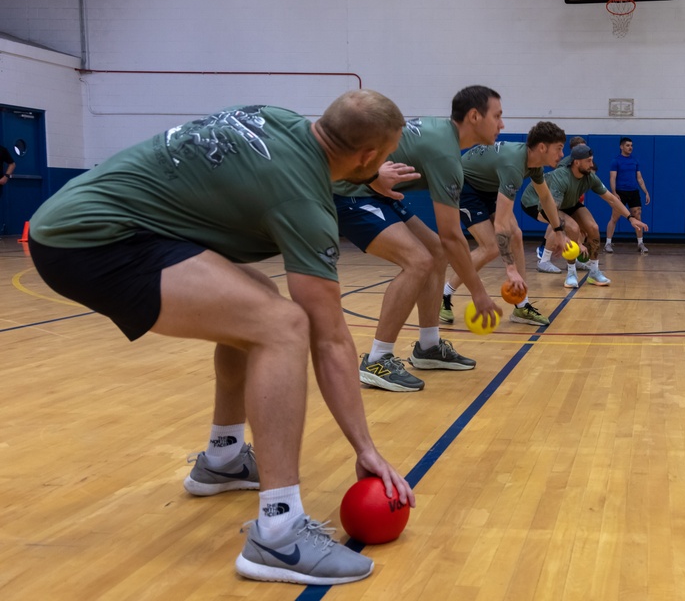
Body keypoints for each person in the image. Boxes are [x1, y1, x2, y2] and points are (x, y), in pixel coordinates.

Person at [27, 91, 416, 586]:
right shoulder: (303, 202)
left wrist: (367, 177)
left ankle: (226, 458)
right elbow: (331, 339)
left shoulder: (275, 117)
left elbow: (297, 171)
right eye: (380, 157)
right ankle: (279, 534)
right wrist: (366, 448)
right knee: (284, 326)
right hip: (93, 243)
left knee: (254, 296)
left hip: (74, 215)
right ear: (366, 156)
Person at [332, 85, 505, 393]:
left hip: (378, 191)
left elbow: (446, 243)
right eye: (497, 116)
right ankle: (377, 359)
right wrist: (479, 294)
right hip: (349, 193)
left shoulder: (440, 132)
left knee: (434, 252)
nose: (502, 125)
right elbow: (453, 235)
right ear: (475, 116)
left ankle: (428, 347)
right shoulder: (446, 155)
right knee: (418, 260)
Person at [439, 121, 571, 327]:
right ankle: (444, 295)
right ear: (542, 147)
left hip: (488, 185)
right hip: (463, 185)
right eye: (559, 148)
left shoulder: (533, 164)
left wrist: (559, 232)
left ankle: (521, 306)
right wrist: (510, 268)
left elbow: (545, 198)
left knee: (516, 235)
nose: (562, 154)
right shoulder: (513, 165)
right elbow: (500, 224)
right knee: (491, 247)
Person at [524, 143, 647, 288]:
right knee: (573, 228)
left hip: (569, 203)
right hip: (543, 205)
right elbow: (552, 211)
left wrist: (630, 218)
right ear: (576, 162)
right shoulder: (561, 177)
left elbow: (611, 199)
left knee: (593, 227)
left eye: (592, 160)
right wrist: (563, 236)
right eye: (588, 161)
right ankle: (570, 273)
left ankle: (594, 272)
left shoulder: (589, 177)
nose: (591, 164)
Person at [536, 135, 586, 263]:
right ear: (572, 150)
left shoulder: (584, 163)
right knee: (557, 223)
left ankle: (574, 254)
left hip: (575, 197)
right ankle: (544, 248)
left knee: (579, 227)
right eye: (579, 148)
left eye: (584, 148)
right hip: (562, 198)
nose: (582, 151)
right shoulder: (564, 165)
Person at [604, 136, 650, 254]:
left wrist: (646, 192)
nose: (630, 148)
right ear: (621, 147)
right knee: (615, 217)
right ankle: (608, 243)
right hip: (620, 192)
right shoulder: (616, 161)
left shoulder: (635, 161)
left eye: (631, 146)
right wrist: (614, 193)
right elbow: (612, 178)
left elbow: (639, 178)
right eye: (628, 145)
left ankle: (640, 243)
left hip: (633, 192)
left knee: (637, 217)